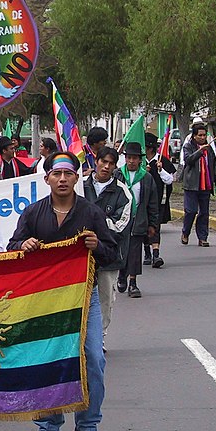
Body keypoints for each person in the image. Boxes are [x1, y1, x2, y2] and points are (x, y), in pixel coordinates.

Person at [7, 152, 117, 431]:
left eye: (69, 174)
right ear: (48, 179)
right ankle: (48, 426)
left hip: (85, 300)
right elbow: (12, 249)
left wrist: (97, 246)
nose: (63, 179)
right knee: (48, 359)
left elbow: (112, 252)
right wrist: (23, 245)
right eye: (57, 174)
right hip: (46, 304)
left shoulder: (91, 213)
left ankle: (89, 424)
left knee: (93, 358)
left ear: (77, 178)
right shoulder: (32, 214)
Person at [83, 147, 132, 347]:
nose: (106, 166)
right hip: (80, 254)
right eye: (103, 161)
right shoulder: (80, 186)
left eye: (111, 163)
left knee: (105, 298)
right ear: (96, 160)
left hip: (108, 255)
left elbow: (121, 224)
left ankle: (99, 336)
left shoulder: (122, 192)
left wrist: (97, 226)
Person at [115, 142, 158, 299]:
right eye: (129, 158)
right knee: (121, 250)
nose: (131, 161)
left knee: (134, 252)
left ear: (140, 160)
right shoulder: (117, 175)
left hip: (138, 219)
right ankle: (121, 274)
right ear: (125, 159)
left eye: (134, 158)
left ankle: (133, 283)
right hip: (120, 220)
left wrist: (153, 224)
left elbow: (152, 203)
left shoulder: (146, 178)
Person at [180, 124, 216, 246]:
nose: (202, 137)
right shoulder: (188, 147)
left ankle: (202, 237)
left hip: (205, 185)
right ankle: (185, 232)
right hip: (192, 185)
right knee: (191, 211)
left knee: (204, 213)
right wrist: (200, 152)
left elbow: (213, 164)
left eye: (204, 135)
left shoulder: (209, 148)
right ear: (194, 136)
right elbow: (188, 160)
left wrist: (214, 179)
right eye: (199, 135)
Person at [143, 133, 175, 268]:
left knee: (155, 227)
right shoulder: (140, 162)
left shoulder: (162, 161)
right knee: (143, 226)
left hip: (157, 201)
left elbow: (169, 180)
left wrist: (160, 170)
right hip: (142, 201)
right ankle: (147, 253)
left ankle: (156, 254)